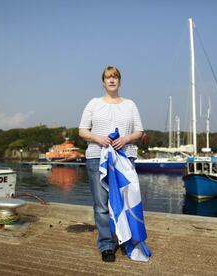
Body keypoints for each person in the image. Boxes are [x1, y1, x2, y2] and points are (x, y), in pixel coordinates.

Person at [79, 66, 143, 262]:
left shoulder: (130, 105)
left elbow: (139, 132)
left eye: (115, 77)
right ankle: (107, 245)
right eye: (108, 77)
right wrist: (98, 138)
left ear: (119, 81)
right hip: (97, 157)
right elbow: (82, 130)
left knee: (126, 201)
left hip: (124, 158)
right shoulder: (93, 103)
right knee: (101, 205)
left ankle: (127, 240)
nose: (111, 80)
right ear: (103, 81)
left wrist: (125, 139)